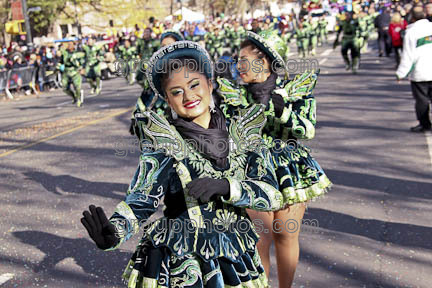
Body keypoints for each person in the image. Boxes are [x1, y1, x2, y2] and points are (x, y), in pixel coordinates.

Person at [81, 40, 290, 287]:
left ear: (210, 85)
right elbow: (141, 200)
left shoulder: (241, 132)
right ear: (168, 100)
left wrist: (227, 187)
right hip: (182, 258)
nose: (188, 96)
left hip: (233, 252)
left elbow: (273, 195)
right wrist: (114, 233)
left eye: (194, 85)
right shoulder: (164, 143)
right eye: (177, 91)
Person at [215, 30, 331, 287]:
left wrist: (280, 109)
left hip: (289, 170)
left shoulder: (292, 92)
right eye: (238, 59)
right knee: (259, 237)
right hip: (251, 171)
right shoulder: (236, 96)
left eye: (245, 59)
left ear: (265, 61)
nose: (239, 65)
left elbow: (308, 130)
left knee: (285, 235)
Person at [396, 6, 432, 132]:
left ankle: (425, 124)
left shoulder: (411, 33)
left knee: (422, 100)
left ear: (412, 18)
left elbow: (408, 56)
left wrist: (401, 73)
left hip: (420, 72)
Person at [59, 42, 83, 107]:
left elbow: (82, 61)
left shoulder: (77, 53)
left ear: (73, 46)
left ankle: (79, 99)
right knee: (65, 88)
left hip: (75, 71)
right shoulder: (65, 53)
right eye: (68, 44)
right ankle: (74, 96)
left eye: (70, 45)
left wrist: (81, 68)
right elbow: (60, 62)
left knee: (77, 87)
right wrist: (58, 68)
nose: (69, 46)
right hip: (66, 72)